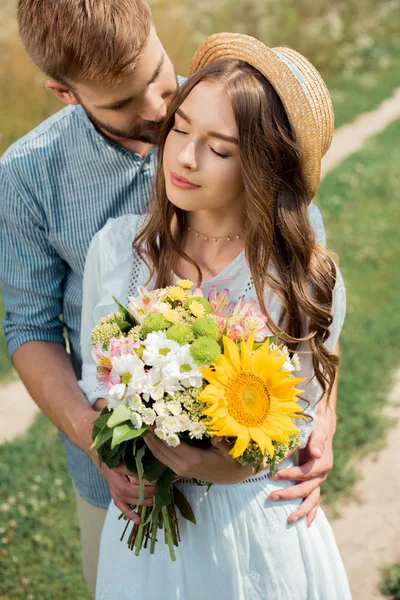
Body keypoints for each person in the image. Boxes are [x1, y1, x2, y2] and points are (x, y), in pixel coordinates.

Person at [0, 1, 336, 595]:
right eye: (123, 104)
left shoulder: (239, 108)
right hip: (124, 485)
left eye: (158, 78)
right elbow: (28, 328)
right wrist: (100, 436)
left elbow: (305, 291)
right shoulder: (29, 176)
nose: (160, 114)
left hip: (257, 490)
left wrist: (317, 417)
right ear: (63, 92)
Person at [79, 33, 351, 599]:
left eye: (220, 149)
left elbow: (295, 417)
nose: (182, 157)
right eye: (179, 128)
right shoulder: (118, 255)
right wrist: (122, 450)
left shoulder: (295, 277)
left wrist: (231, 468)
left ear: (264, 165)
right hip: (150, 541)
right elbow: (101, 389)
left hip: (258, 527)